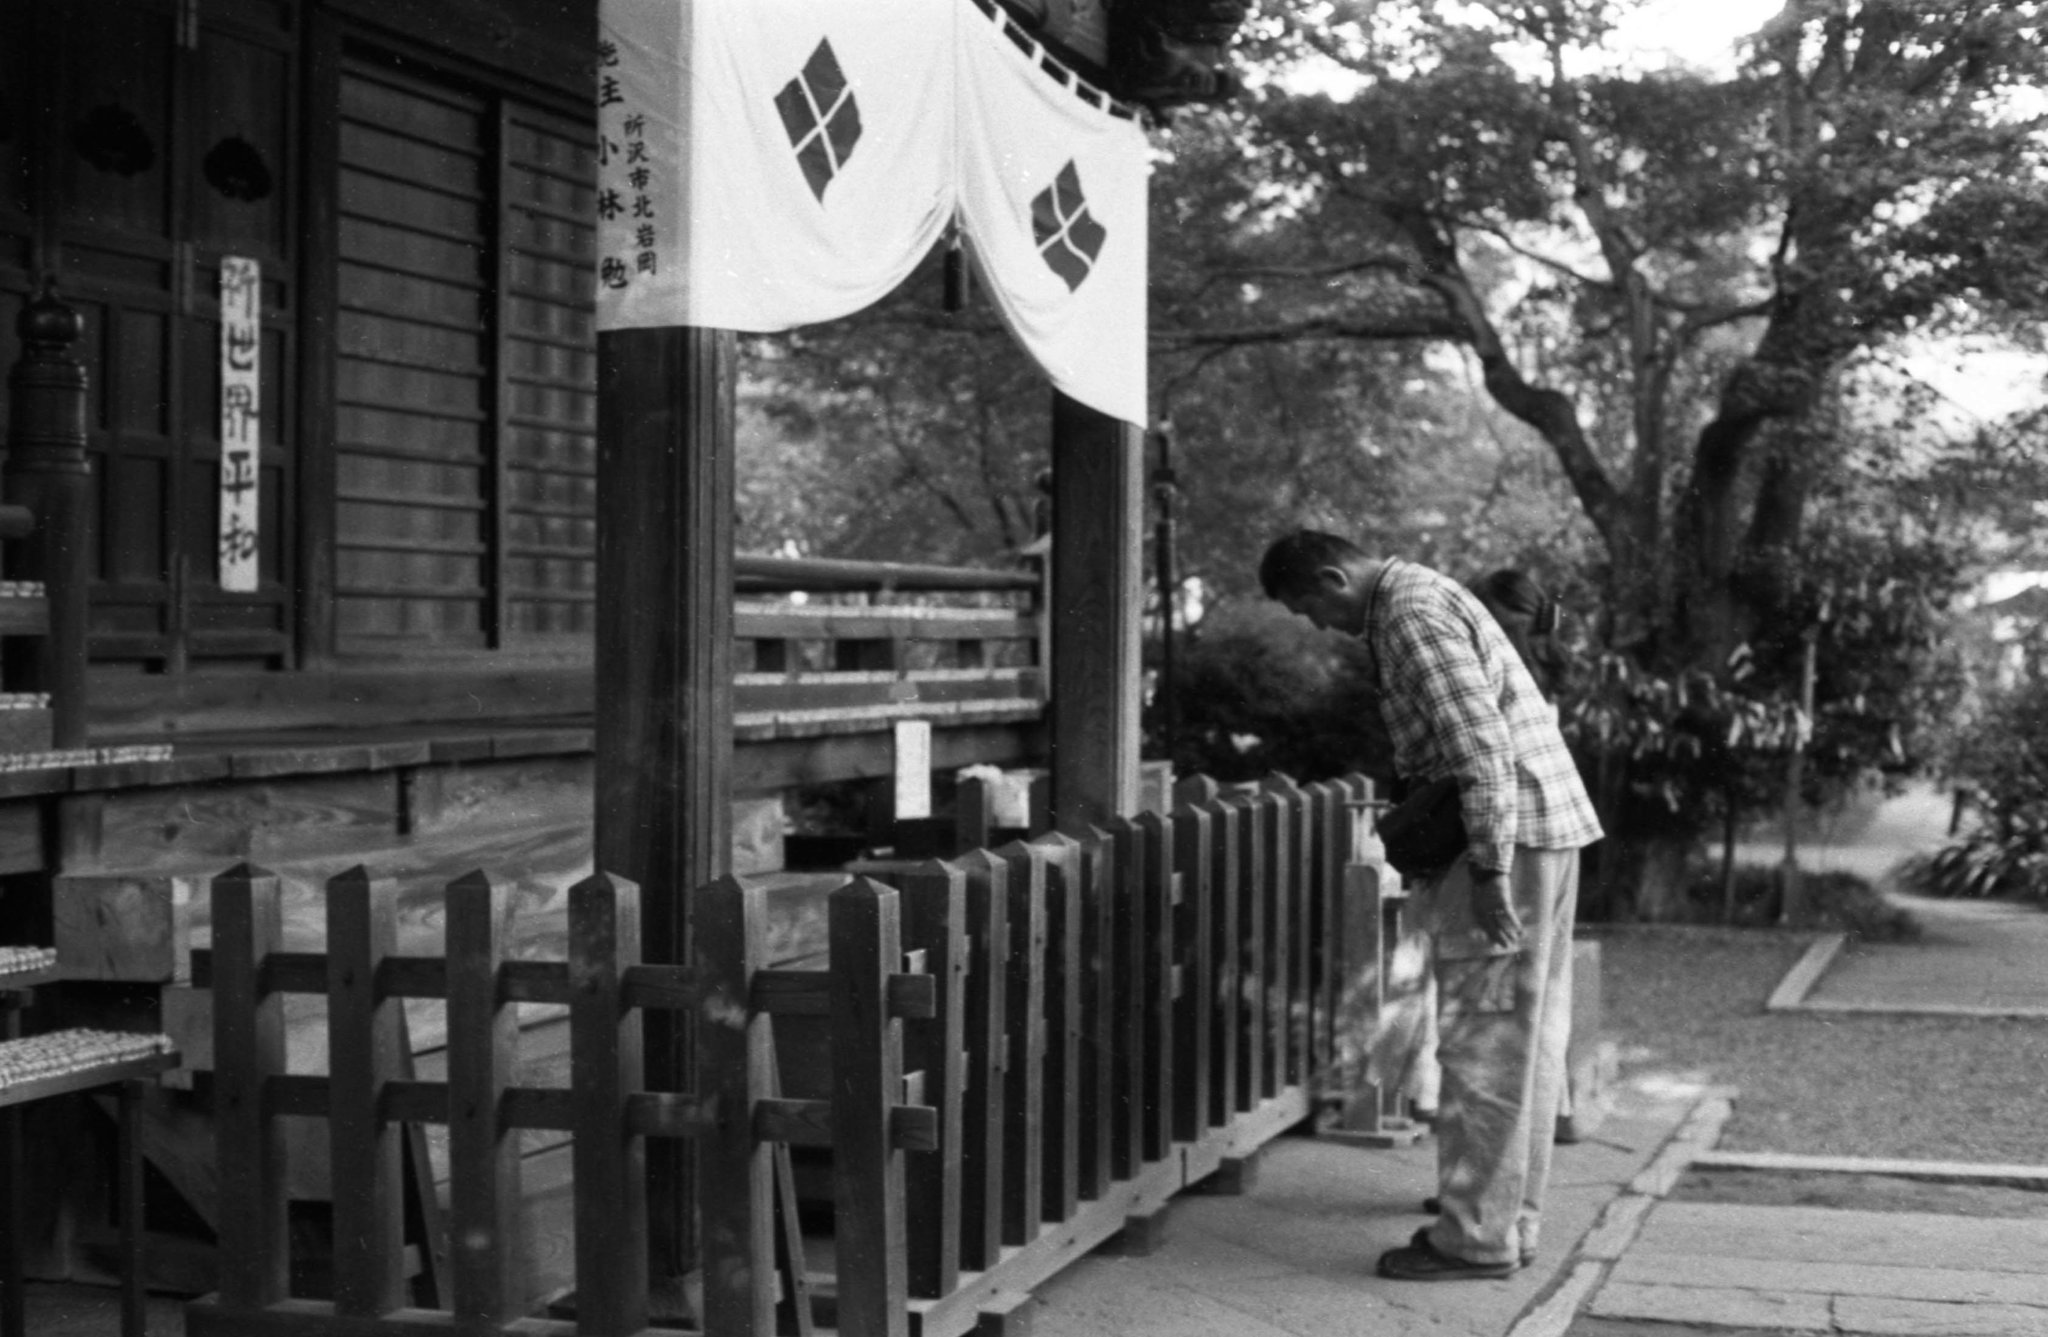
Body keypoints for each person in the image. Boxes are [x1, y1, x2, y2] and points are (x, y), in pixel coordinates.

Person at [1258, 530, 1603, 1281]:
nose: (1318, 624)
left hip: (1509, 843)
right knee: (1528, 1036)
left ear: (1331, 575)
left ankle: (1474, 1237)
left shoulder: (1409, 612)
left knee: (1484, 1040)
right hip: (1544, 830)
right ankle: (1507, 1220)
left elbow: (1479, 748)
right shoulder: (1423, 594)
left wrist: (1486, 868)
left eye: (1309, 607)